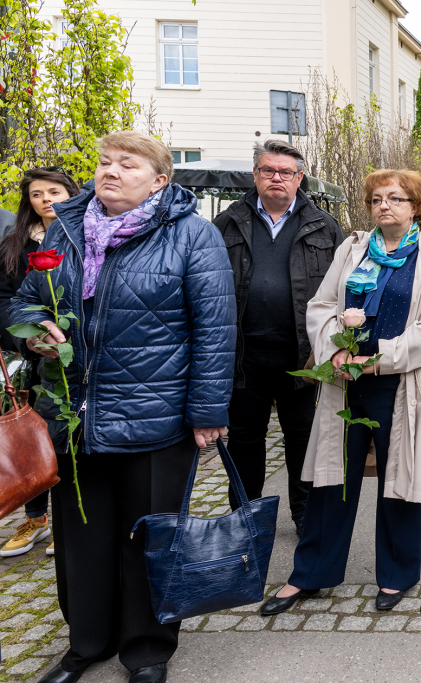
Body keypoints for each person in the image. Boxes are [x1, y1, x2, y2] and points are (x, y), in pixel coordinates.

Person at [12, 131, 235, 683]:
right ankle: (87, 643)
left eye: (127, 165)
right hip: (73, 415)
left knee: (150, 538)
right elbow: (21, 300)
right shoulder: (62, 230)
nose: (110, 171)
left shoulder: (192, 236)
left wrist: (207, 410)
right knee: (81, 538)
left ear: (160, 180)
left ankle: (147, 650)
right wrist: (27, 334)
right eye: (105, 162)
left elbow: (216, 329)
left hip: (156, 417)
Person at [260, 169, 421, 616]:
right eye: (377, 199)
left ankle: (398, 574)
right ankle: (309, 574)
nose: (384, 206)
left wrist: (375, 359)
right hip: (344, 383)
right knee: (333, 480)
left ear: (416, 207)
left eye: (396, 198)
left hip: (398, 385)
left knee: (398, 481)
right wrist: (334, 352)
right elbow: (323, 306)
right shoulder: (352, 250)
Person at [213, 140, 344, 538]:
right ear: (255, 175)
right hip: (244, 354)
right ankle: (246, 519)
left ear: (299, 178)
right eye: (268, 170)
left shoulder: (324, 225)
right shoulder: (227, 223)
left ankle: (305, 518)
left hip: (301, 357)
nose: (276, 178)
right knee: (245, 441)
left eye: (285, 172)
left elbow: (341, 290)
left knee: (303, 439)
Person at [0, 168, 80, 558]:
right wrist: (25, 336)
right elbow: (3, 301)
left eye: (55, 191)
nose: (46, 199)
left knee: (66, 437)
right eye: (36, 194)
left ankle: (69, 516)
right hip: (32, 358)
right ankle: (35, 517)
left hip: (76, 354)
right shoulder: (15, 244)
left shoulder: (86, 239)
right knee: (30, 437)